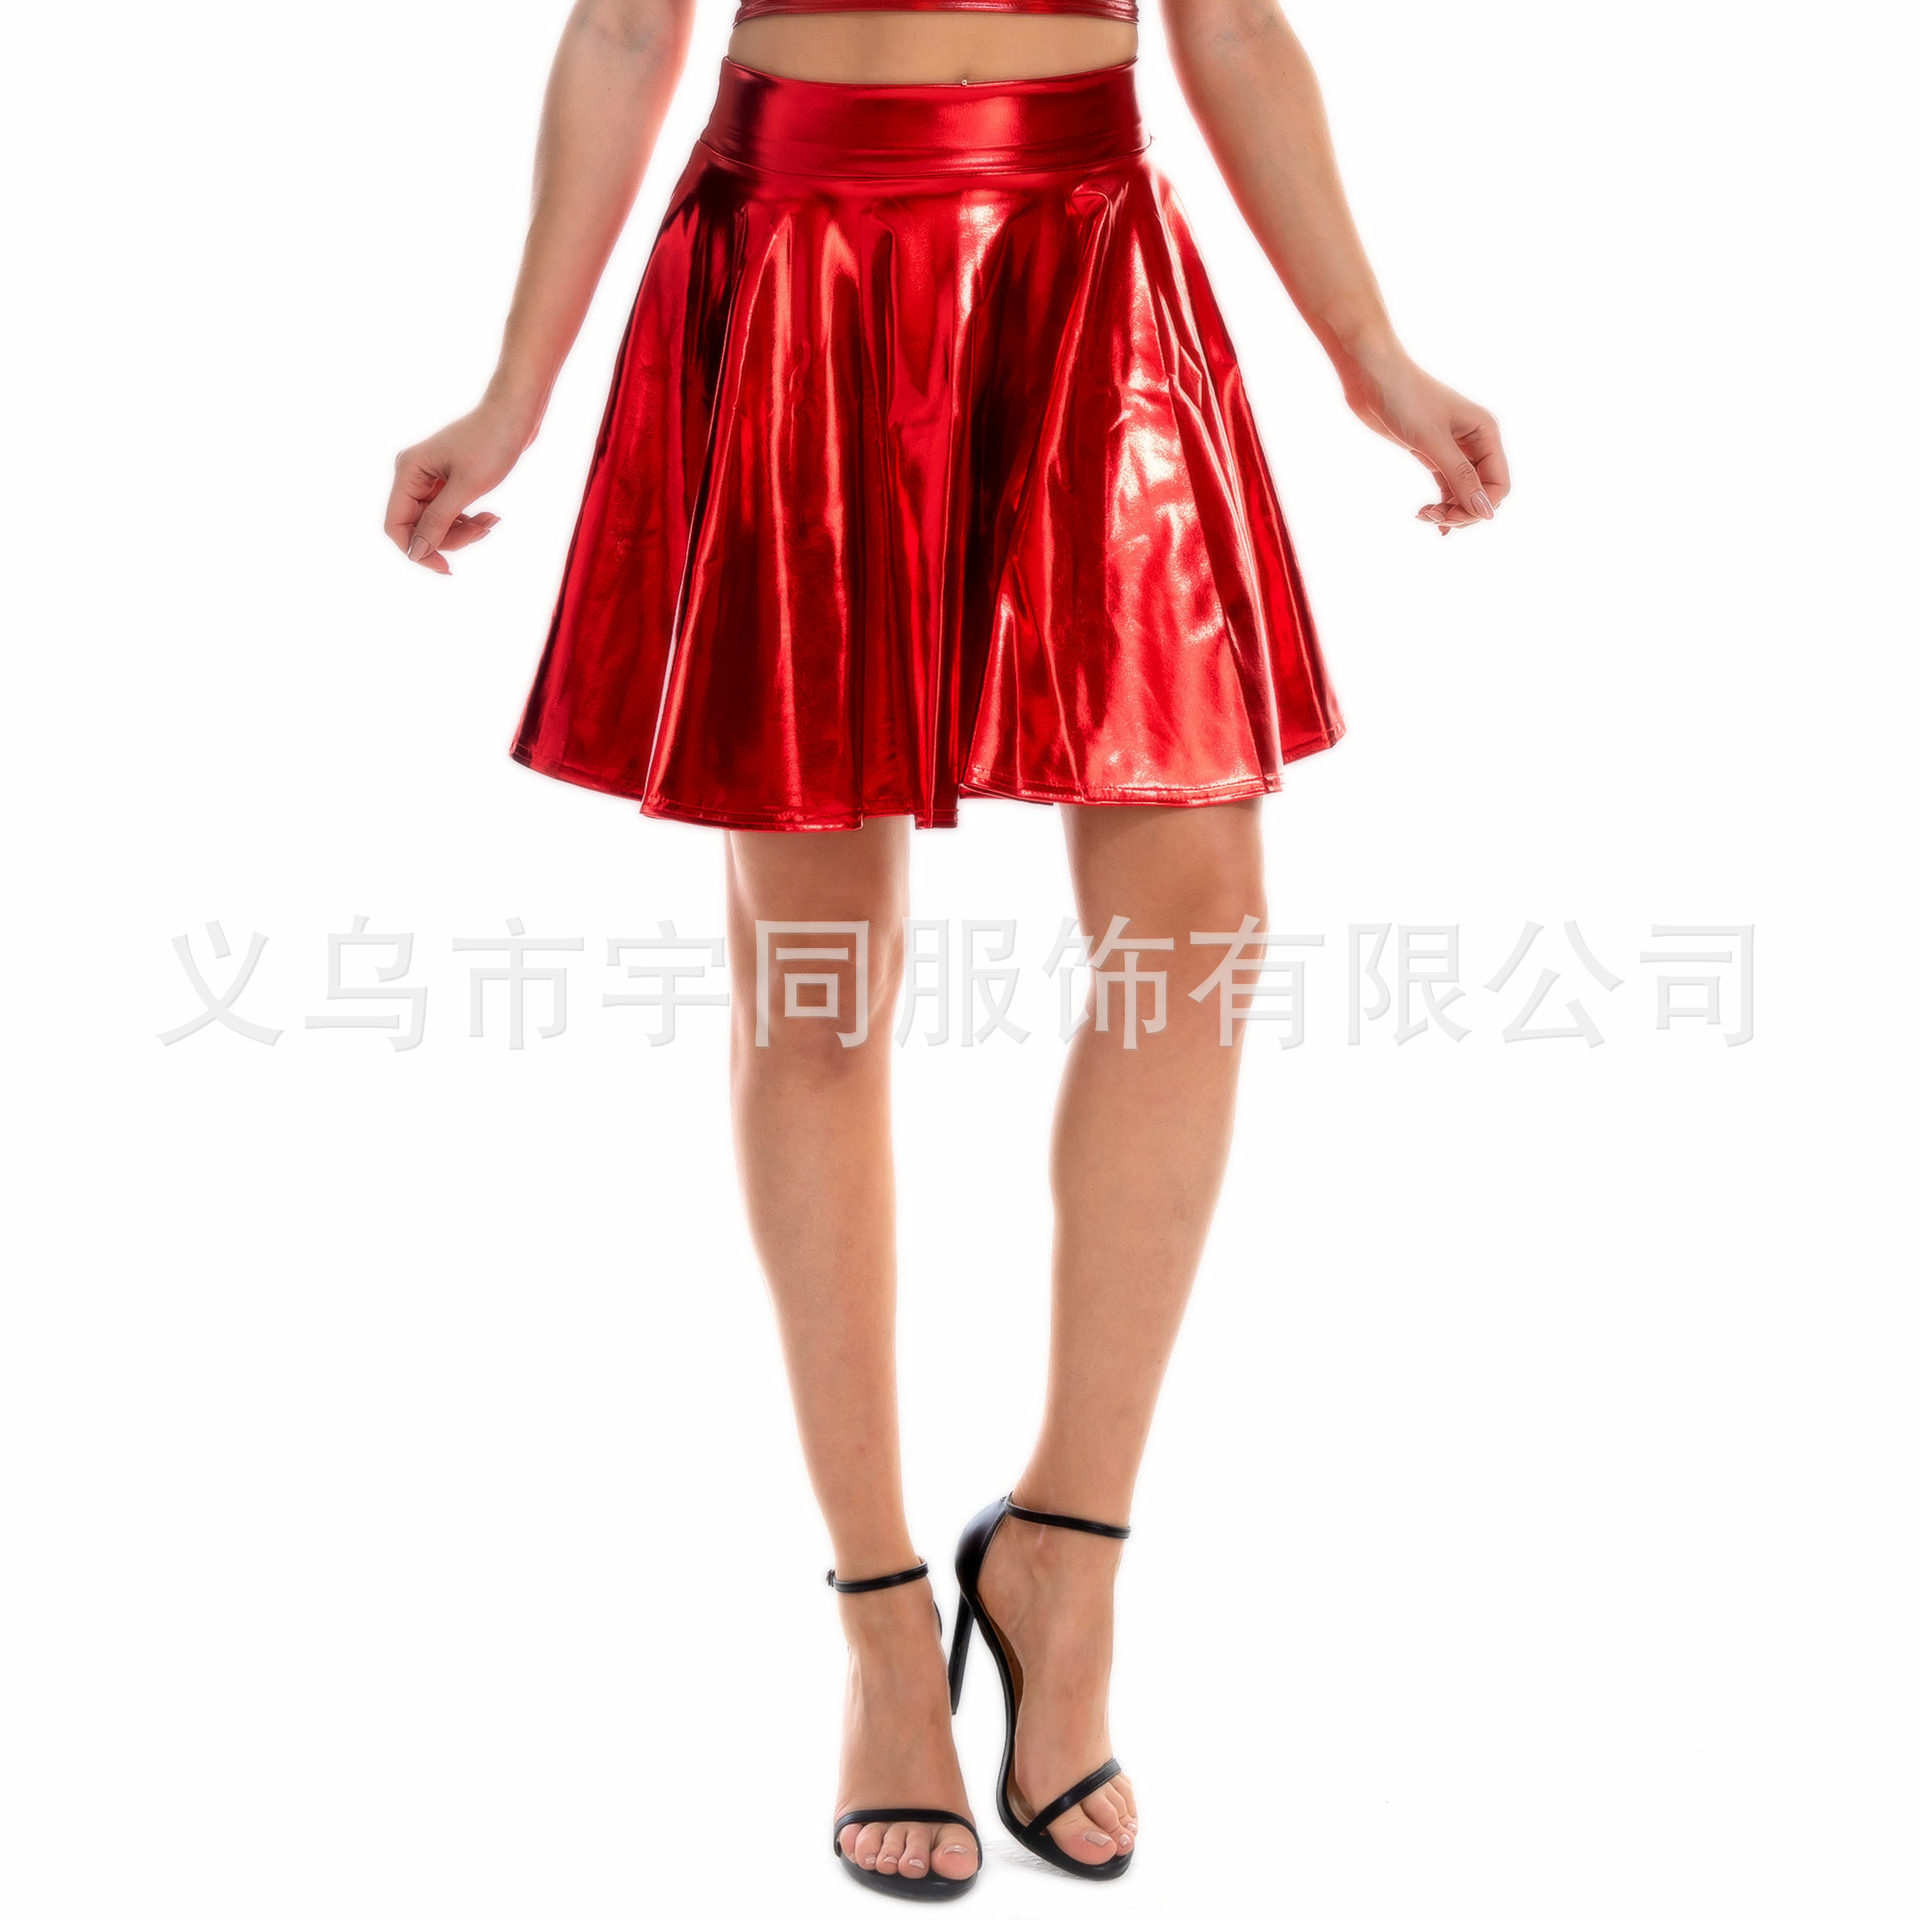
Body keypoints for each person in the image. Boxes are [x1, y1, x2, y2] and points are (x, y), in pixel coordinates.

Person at [385, 0, 1508, 1897]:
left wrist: (1371, 352)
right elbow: (630, 24)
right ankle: (882, 1619)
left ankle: (1068, 1553)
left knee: (1195, 928)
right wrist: (515, 389)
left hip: (1087, 267)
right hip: (794, 265)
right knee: (819, 983)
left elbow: (1229, 22)